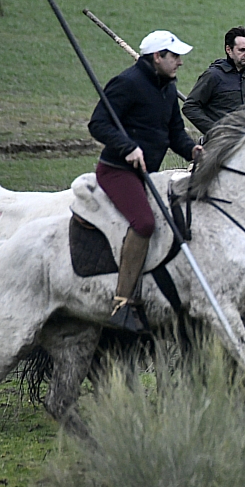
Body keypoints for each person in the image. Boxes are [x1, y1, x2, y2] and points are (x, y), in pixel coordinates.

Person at [89, 30, 203, 331]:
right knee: (145, 223)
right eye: (174, 56)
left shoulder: (167, 86)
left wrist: (193, 150)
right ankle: (122, 301)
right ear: (157, 57)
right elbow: (98, 123)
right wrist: (127, 147)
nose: (180, 62)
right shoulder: (127, 83)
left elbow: (174, 132)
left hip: (146, 174)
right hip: (117, 171)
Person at [182, 26, 245, 134]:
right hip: (221, 146)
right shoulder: (213, 76)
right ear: (228, 50)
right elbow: (190, 107)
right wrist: (215, 131)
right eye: (242, 50)